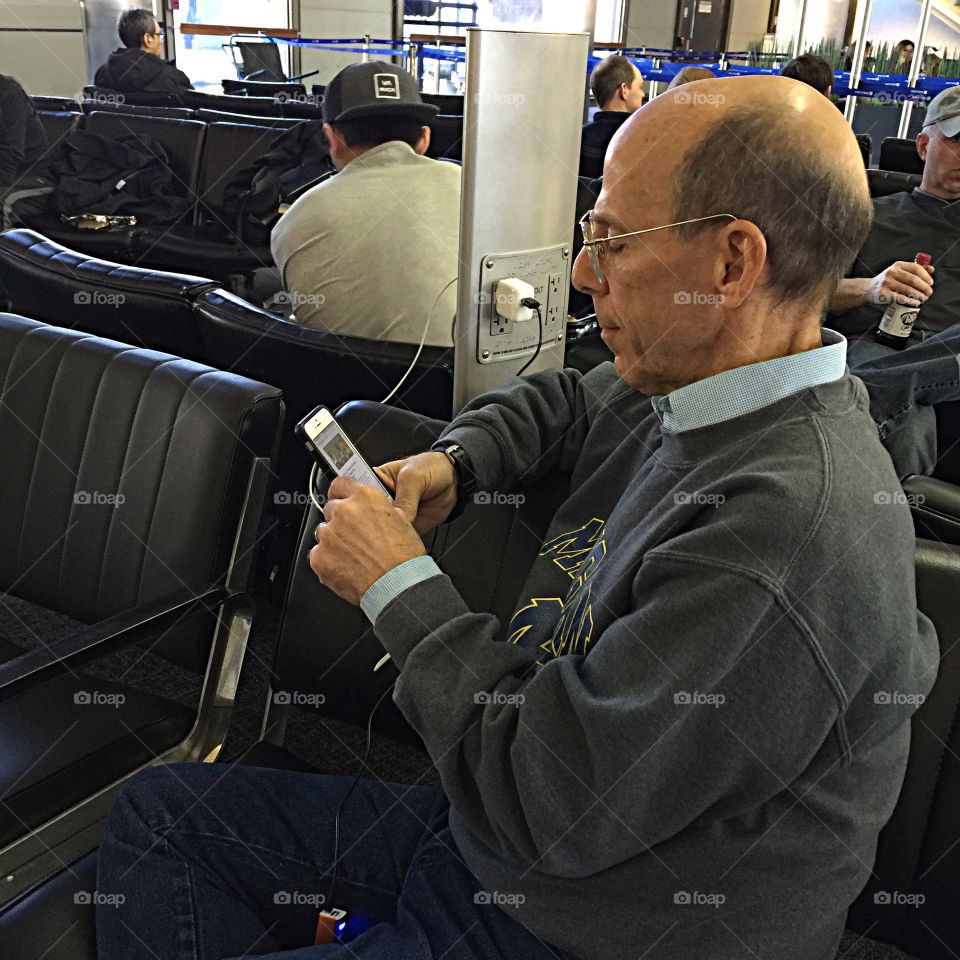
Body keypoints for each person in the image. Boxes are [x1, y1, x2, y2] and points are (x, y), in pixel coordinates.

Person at [96, 76, 938, 960]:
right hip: (497, 848)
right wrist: (457, 462)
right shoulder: (694, 384)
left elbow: (558, 806)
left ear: (732, 264)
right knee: (161, 815)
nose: (582, 272)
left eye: (613, 241)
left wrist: (397, 585)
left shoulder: (788, 526)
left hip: (587, 920)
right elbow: (568, 401)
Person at [270, 61, 460, 347]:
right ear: (424, 139)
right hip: (476, 386)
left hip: (343, 386)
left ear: (332, 138)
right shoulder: (476, 192)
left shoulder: (294, 219)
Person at [827, 83, 960, 348]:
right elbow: (800, 296)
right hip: (877, 354)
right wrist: (868, 289)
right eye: (956, 140)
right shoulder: (867, 215)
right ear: (923, 146)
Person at [93, 8, 192, 96]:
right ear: (148, 39)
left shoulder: (101, 75)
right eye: (159, 34)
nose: (161, 40)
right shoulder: (174, 79)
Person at [579, 54, 645, 179]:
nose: (642, 94)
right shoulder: (643, 139)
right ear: (624, 90)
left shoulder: (579, 139)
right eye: (640, 87)